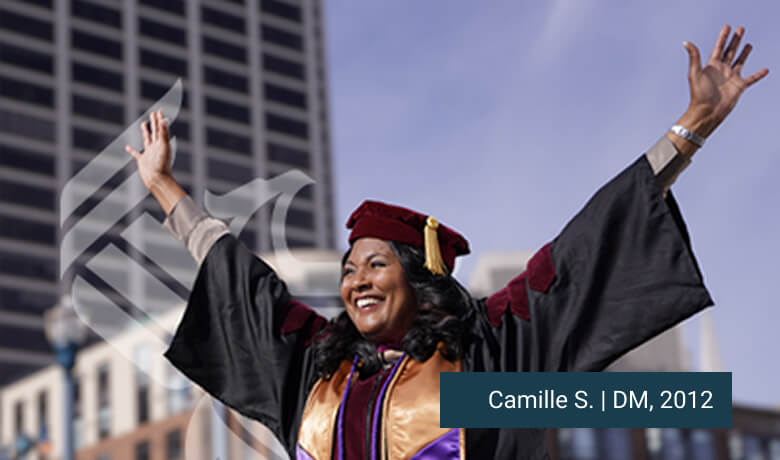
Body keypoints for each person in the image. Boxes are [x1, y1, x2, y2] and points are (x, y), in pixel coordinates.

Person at [126, 25, 767, 460]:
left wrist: (692, 127)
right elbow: (240, 281)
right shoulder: (319, 369)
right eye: (349, 270)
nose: (356, 281)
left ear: (418, 276)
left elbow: (588, 245)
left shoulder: (484, 356)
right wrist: (164, 187)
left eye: (376, 264)